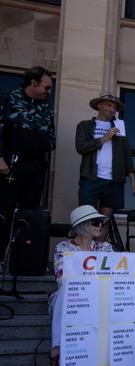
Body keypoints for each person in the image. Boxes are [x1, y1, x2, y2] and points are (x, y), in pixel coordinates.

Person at [0, 66, 55, 262]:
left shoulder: (46, 108)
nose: (49, 92)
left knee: (29, 215)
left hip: (35, 167)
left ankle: (22, 263)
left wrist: (42, 143)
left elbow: (51, 137)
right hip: (11, 165)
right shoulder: (9, 98)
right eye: (47, 88)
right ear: (34, 83)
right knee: (4, 212)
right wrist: (0, 158)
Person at [49, 205, 113, 366]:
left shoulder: (105, 248)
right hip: (73, 297)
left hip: (99, 296)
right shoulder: (63, 247)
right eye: (95, 222)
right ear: (82, 225)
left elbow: (112, 277)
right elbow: (62, 278)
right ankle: (57, 346)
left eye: (100, 222)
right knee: (66, 289)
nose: (100, 226)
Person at [76, 92, 135, 228]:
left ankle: (100, 248)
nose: (112, 109)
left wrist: (133, 179)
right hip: (90, 178)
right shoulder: (85, 125)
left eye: (114, 107)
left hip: (114, 180)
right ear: (99, 105)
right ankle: (85, 248)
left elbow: (126, 154)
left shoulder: (119, 126)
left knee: (105, 219)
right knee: (86, 216)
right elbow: (80, 147)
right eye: (108, 105)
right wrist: (105, 138)